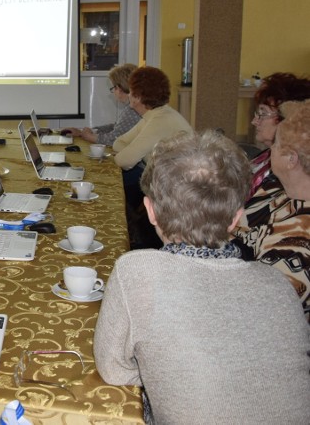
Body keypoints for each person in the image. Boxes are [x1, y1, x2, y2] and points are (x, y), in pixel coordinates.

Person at [94, 131, 310, 425]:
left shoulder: (137, 271)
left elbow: (114, 370)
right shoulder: (280, 286)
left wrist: (171, 374)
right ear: (236, 218)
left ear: (150, 211)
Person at [240, 100, 310, 320]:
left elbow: (264, 313)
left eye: (277, 144)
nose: (271, 149)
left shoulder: (300, 238)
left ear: (291, 159)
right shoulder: (277, 190)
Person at [113, 66, 192, 248]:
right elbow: (119, 143)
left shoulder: (160, 120)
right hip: (165, 185)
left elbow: (123, 160)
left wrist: (129, 150)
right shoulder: (156, 115)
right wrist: (129, 149)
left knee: (124, 199)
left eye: (131, 91)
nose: (129, 95)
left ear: (138, 97)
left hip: (178, 195)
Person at [246, 72, 310, 197]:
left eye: (263, 113)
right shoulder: (266, 156)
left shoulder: (288, 176)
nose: (254, 122)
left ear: (287, 118)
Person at [65, 64, 140, 145]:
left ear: (120, 88)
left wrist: (89, 136)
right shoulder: (133, 107)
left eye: (113, 88)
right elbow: (116, 127)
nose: (113, 92)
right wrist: (87, 131)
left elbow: (115, 139)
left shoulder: (133, 109)